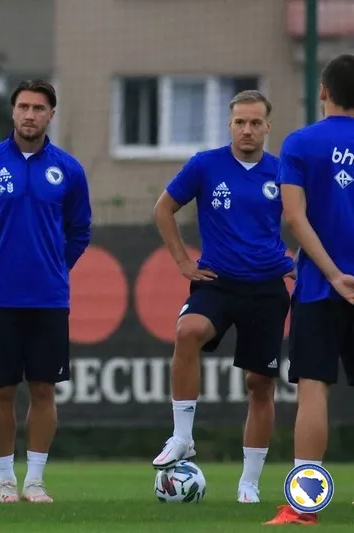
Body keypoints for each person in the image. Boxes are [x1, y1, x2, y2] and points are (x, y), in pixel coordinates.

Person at [150, 90, 294, 503]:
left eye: (255, 122)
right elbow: (163, 209)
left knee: (260, 384)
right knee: (187, 331)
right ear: (229, 125)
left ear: (267, 126)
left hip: (266, 288)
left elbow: (307, 219)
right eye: (240, 122)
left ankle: (248, 484)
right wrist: (183, 261)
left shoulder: (282, 172)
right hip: (217, 281)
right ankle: (182, 437)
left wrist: (299, 262)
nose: (247, 130)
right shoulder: (205, 165)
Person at [0, 80, 91, 503]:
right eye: (23, 107)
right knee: (2, 390)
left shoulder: (69, 170)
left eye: (38, 108)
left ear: (51, 115)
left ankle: (34, 480)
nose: (30, 115)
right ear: (13, 112)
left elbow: (80, 230)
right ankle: (4, 481)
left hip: (49, 298)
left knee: (44, 389)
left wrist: (56, 267)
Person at [264, 54, 354, 526]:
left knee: (314, 390)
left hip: (321, 287)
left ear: (323, 91)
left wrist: (335, 274)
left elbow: (295, 218)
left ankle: (304, 507)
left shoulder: (300, 143)